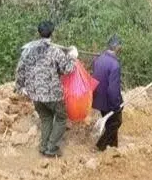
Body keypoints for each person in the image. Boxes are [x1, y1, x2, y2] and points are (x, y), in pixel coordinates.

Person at [15, 21, 78, 157]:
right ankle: (51, 147)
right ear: (52, 32)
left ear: (39, 33)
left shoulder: (29, 50)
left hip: (35, 94)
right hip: (52, 94)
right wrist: (73, 56)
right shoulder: (55, 51)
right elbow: (67, 69)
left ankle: (43, 146)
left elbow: (20, 69)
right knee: (61, 118)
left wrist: (20, 87)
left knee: (46, 118)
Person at [92, 34, 123, 151]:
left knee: (110, 122)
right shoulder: (115, 65)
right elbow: (113, 89)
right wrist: (117, 105)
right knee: (116, 122)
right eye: (120, 46)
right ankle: (100, 146)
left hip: (98, 98)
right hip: (108, 100)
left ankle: (113, 146)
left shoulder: (98, 59)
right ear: (117, 47)